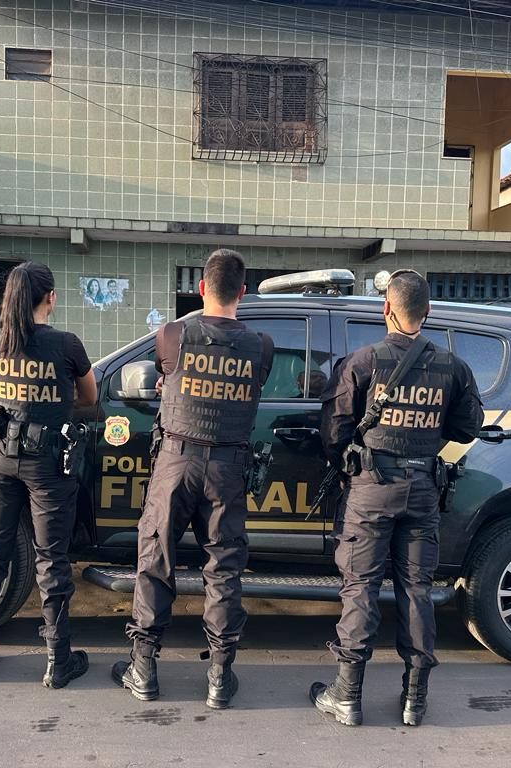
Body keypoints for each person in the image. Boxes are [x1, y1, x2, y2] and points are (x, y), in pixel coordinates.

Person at [311, 269, 483, 727]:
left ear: (385, 308)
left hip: (371, 489)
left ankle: (347, 696)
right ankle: (414, 699)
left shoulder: (363, 362)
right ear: (427, 312)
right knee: (417, 590)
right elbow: (468, 427)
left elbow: (333, 433)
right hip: (422, 489)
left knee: (361, 588)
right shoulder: (453, 367)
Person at [112, 249, 274, 709]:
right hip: (226, 469)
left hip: (176, 462)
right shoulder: (261, 346)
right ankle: (220, 677)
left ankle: (144, 670)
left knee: (155, 560)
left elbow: (171, 376)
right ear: (243, 292)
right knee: (223, 568)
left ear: (201, 288)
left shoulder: (172, 334)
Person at [0, 261, 98, 687]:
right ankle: (58, 660)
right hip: (48, 464)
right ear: (50, 298)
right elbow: (89, 399)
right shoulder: (66, 344)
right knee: (51, 559)